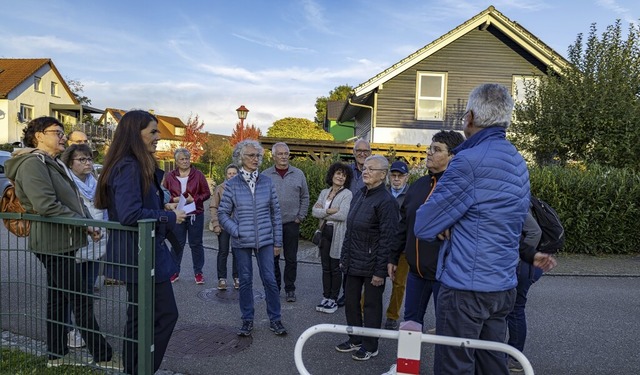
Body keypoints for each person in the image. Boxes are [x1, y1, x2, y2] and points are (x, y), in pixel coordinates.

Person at [414, 83, 530, 375]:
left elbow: (424, 224)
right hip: (503, 285)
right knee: (492, 365)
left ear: (469, 117)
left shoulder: (467, 161)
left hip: (466, 287)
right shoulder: (517, 161)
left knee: (455, 367)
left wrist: (449, 223)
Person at [5, 117, 117, 369]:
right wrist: (84, 223)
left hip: (63, 240)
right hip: (52, 242)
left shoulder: (49, 162)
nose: (62, 137)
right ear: (38, 136)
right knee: (80, 298)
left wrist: (87, 222)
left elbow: (71, 199)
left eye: (62, 132)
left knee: (58, 300)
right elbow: (46, 205)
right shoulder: (33, 164)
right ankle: (104, 356)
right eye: (57, 132)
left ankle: (56, 355)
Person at [95, 110, 186, 374]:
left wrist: (161, 204)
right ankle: (142, 369)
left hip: (141, 252)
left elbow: (135, 205)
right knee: (165, 316)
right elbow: (129, 214)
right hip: (140, 254)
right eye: (153, 132)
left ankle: (134, 370)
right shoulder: (128, 166)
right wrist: (168, 216)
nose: (158, 137)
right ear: (136, 134)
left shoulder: (133, 163)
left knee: (138, 318)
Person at [383, 131, 465, 375]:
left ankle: (443, 370)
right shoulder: (419, 185)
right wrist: (393, 256)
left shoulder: (460, 187)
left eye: (437, 149)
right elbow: (403, 224)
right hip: (416, 271)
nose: (429, 153)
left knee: (446, 329)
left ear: (453, 155)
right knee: (410, 324)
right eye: (430, 148)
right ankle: (406, 369)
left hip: (446, 275)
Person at [218, 140, 287, 337]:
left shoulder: (267, 182)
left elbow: (276, 214)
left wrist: (277, 242)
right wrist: (236, 230)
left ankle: (275, 319)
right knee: (245, 281)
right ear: (241, 158)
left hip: (265, 240)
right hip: (241, 241)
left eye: (257, 156)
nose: (255, 159)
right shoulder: (231, 185)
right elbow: (223, 213)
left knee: (270, 280)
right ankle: (247, 320)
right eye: (251, 155)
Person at [335, 154, 399, 361]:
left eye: (372, 169)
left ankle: (371, 345)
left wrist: (380, 271)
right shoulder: (360, 194)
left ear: (382, 175)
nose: (366, 171)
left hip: (373, 265)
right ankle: (355, 339)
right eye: (365, 168)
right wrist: (344, 258)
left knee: (371, 306)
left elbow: (388, 239)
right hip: (353, 261)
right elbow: (350, 230)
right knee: (351, 302)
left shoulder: (386, 201)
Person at [60, 143, 107, 349]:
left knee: (87, 289)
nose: (88, 163)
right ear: (71, 162)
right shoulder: (65, 183)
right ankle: (67, 329)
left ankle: (82, 328)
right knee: (71, 290)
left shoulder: (95, 182)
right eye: (82, 159)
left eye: (89, 159)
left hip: (97, 243)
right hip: (76, 243)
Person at [507, 209, 557, 372]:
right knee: (511, 309)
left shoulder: (516, 199)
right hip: (524, 263)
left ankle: (514, 358)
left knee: (515, 309)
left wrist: (523, 257)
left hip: (522, 265)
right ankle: (510, 355)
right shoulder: (517, 194)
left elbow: (535, 231)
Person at [263, 142, 309, 302]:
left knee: (291, 258)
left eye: (286, 154)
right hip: (270, 224)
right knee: (271, 258)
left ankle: (290, 288)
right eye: (280, 154)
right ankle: (274, 287)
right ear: (273, 156)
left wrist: (300, 216)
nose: (283, 157)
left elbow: (305, 197)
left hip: (291, 223)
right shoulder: (265, 175)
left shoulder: (298, 174)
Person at [163, 148, 211, 284]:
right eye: (182, 159)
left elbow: (206, 193)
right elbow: (165, 195)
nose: (185, 161)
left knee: (196, 244)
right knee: (177, 243)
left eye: (187, 159)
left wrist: (194, 199)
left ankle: (198, 273)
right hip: (178, 214)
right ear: (176, 161)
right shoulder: (170, 176)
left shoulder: (198, 175)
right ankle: (174, 272)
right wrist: (175, 200)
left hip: (195, 214)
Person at [311, 162, 353, 314]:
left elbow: (343, 215)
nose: (340, 177)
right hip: (324, 234)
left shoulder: (347, 194)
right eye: (338, 173)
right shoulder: (324, 192)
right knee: (325, 267)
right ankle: (326, 296)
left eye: (344, 175)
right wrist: (331, 210)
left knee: (335, 268)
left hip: (337, 234)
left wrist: (324, 211)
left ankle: (333, 299)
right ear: (332, 175)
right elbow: (314, 212)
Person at [336, 138, 371, 307]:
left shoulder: (374, 169)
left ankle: (364, 297)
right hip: (348, 221)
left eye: (366, 151)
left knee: (365, 260)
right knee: (347, 259)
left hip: (368, 222)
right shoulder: (346, 171)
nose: (362, 154)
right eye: (359, 151)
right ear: (354, 153)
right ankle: (347, 294)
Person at [383, 160, 410, 330]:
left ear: (406, 177)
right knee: (374, 279)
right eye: (393, 175)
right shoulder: (383, 193)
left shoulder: (412, 195)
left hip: (403, 246)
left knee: (399, 283)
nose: (396, 179)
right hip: (384, 243)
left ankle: (392, 316)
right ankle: (365, 310)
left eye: (400, 176)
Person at [210, 164, 240, 290]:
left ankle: (237, 277)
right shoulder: (220, 188)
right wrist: (216, 224)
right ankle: (221, 278)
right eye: (229, 173)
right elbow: (213, 207)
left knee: (237, 252)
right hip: (223, 225)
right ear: (226, 175)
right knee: (223, 251)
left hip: (238, 226)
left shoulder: (242, 188)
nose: (232, 175)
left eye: (234, 173)